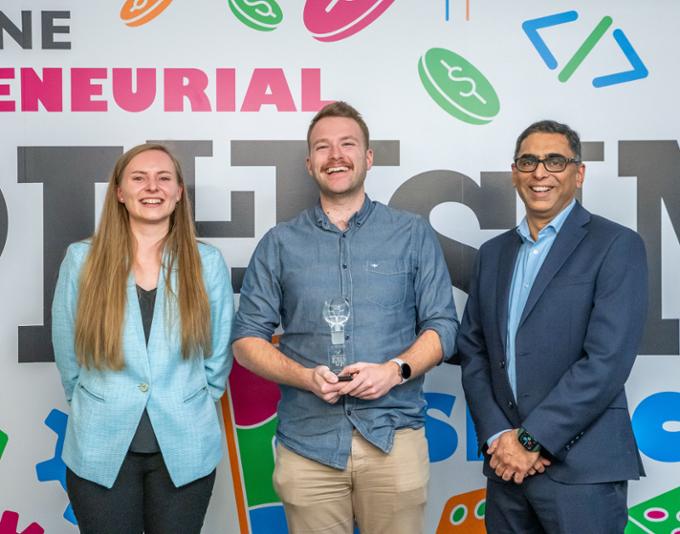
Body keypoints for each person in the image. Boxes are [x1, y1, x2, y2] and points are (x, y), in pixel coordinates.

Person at [232, 101, 458, 534]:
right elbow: (246, 341)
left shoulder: (411, 234)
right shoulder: (279, 243)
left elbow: (443, 326)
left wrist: (395, 371)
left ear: (368, 158)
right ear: (309, 163)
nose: (335, 155)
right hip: (308, 442)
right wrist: (304, 376)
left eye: (347, 144)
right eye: (322, 147)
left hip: (393, 438)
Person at [458, 120, 648, 533]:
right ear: (514, 173)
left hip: (582, 471)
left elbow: (606, 362)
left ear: (578, 174)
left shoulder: (616, 245)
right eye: (528, 161)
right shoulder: (493, 254)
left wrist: (531, 440)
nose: (540, 172)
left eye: (555, 161)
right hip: (506, 469)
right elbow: (473, 352)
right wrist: (499, 438)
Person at [51, 143, 234, 534]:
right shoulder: (81, 260)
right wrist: (92, 402)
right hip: (99, 449)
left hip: (185, 451)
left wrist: (192, 400)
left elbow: (217, 358)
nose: (153, 186)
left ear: (179, 191)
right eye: (139, 177)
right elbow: (68, 353)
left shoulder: (207, 263)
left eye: (164, 177)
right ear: (119, 191)